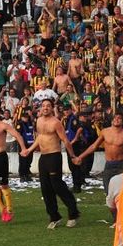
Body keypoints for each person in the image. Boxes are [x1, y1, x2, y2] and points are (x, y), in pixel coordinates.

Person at [23, 98, 80, 229]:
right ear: (40, 108)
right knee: (45, 188)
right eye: (43, 106)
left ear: (52, 108)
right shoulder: (38, 121)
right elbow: (40, 137)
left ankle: (73, 213)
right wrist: (29, 150)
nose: (45, 108)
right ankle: (54, 216)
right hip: (43, 157)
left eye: (48, 106)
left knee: (57, 186)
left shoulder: (56, 123)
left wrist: (72, 156)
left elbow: (65, 140)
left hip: (54, 156)